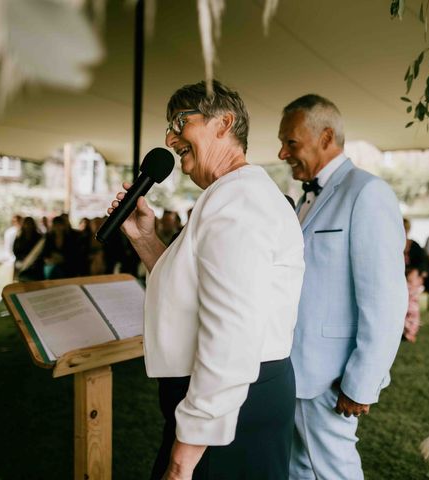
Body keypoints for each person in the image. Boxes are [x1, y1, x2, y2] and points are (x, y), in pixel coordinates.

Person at [108, 80, 305, 480]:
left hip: (230, 405)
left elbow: (231, 333)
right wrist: (145, 238)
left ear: (223, 123)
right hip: (239, 397)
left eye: (181, 121)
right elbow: (193, 292)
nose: (169, 136)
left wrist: (182, 461)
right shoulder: (232, 194)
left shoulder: (237, 200)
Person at [278, 94, 407, 479]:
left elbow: (385, 299)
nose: (282, 153)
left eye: (291, 143)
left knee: (335, 471)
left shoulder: (367, 193)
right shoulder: (304, 199)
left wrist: (361, 382)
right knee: (299, 468)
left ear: (326, 137)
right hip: (292, 367)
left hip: (330, 376)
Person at [403, 218, 426, 343]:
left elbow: (422, 264)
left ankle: (410, 330)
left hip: (412, 280)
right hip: (399, 280)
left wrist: (416, 271)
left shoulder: (414, 245)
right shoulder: (392, 245)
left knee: (411, 300)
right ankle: (402, 329)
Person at [12, 216, 44, 281]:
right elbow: (15, 250)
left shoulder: (39, 237)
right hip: (21, 264)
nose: (28, 226)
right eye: (26, 224)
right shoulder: (19, 237)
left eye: (30, 224)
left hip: (36, 266)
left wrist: (32, 260)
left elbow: (41, 252)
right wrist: (23, 259)